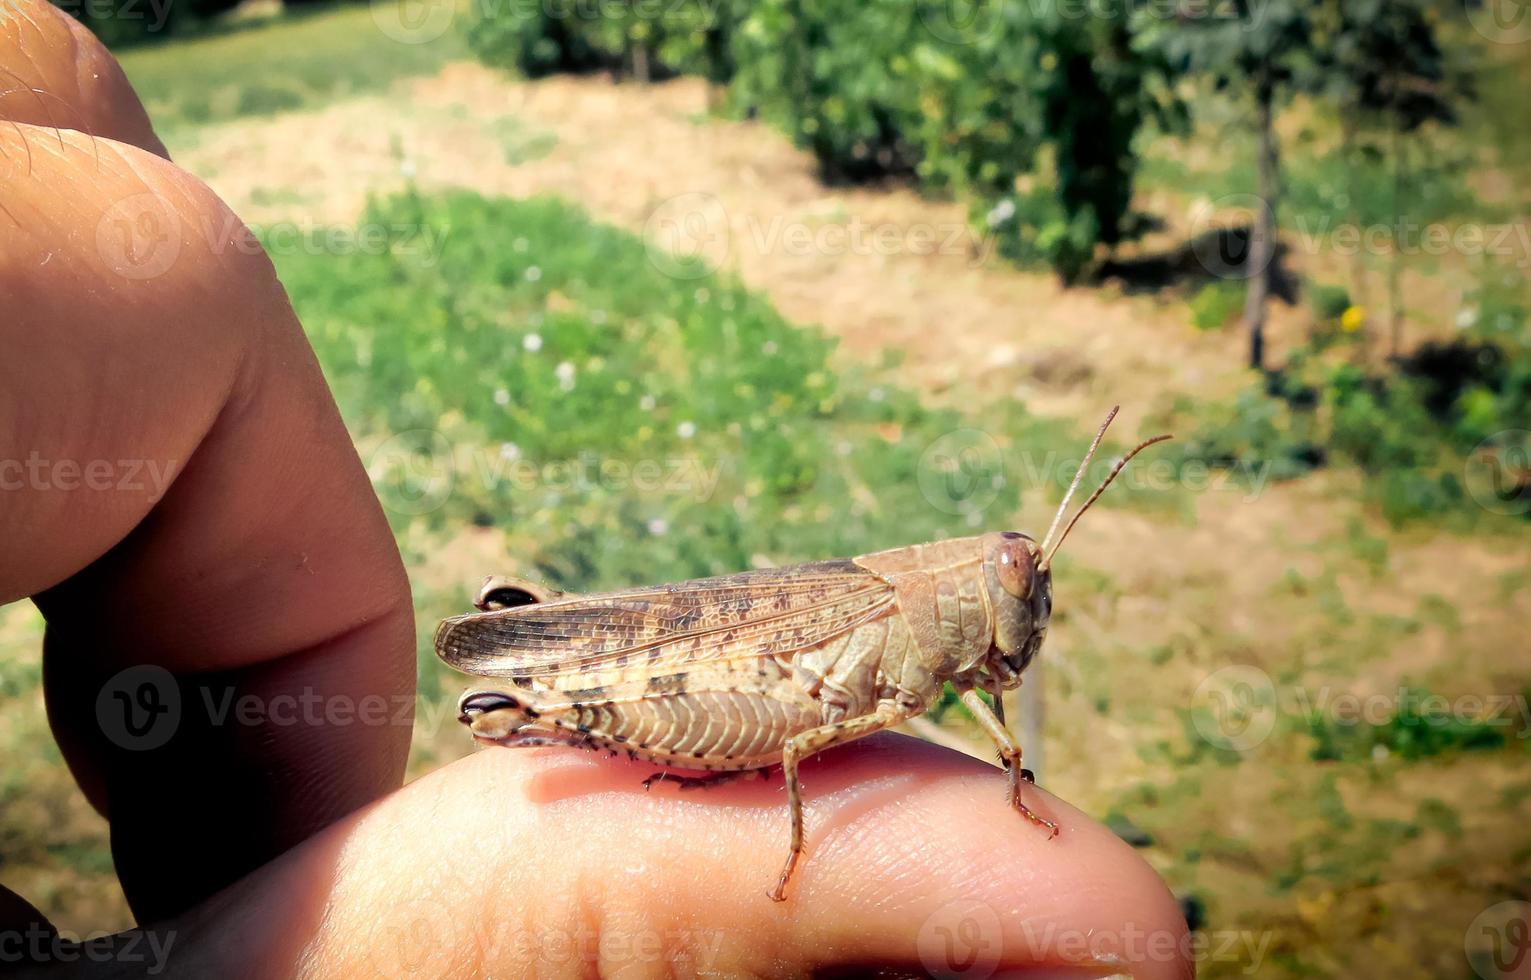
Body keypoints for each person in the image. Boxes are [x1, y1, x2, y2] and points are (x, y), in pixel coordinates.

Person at [0, 4, 1191, 974]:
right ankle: (550, 691)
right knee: (725, 690)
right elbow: (788, 736)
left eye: (1021, 579)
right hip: (733, 679)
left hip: (768, 699)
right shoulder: (885, 622)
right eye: (1013, 572)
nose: (1022, 596)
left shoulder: (948, 660)